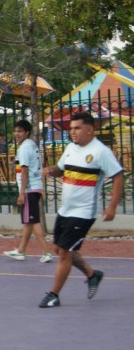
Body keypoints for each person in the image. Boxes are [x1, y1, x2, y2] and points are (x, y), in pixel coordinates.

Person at [39, 111, 124, 308]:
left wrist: (112, 206)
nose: (73, 132)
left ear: (89, 129)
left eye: (77, 128)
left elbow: (118, 176)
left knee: (66, 253)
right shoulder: (70, 147)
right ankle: (92, 275)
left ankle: (54, 295)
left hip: (83, 212)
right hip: (65, 210)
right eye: (71, 129)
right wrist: (50, 170)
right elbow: (61, 168)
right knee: (60, 249)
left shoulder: (101, 152)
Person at [3, 120, 53, 263]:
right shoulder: (31, 145)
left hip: (29, 189)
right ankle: (21, 251)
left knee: (33, 221)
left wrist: (21, 193)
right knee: (28, 222)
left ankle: (46, 252)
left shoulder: (24, 148)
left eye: (20, 131)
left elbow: (24, 170)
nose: (17, 134)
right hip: (34, 187)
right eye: (15, 131)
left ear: (27, 132)